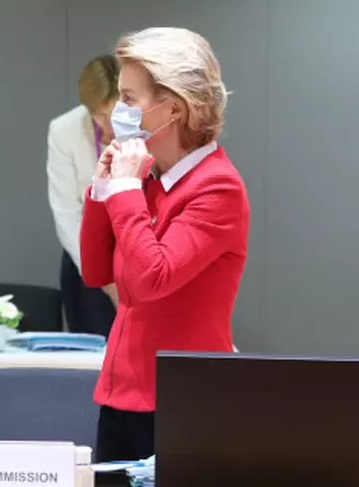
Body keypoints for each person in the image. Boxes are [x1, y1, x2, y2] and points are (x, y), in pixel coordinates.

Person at [80, 27, 249, 461]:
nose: (118, 110)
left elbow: (154, 277)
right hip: (122, 392)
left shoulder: (217, 188)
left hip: (182, 403)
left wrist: (124, 192)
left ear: (172, 109)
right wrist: (104, 189)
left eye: (130, 99)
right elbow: (95, 271)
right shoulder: (148, 180)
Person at [47, 55, 120, 337]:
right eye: (99, 116)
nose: (109, 125)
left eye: (114, 114)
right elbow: (66, 214)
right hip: (86, 259)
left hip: (142, 256)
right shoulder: (64, 130)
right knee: (95, 359)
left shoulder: (147, 128)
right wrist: (106, 279)